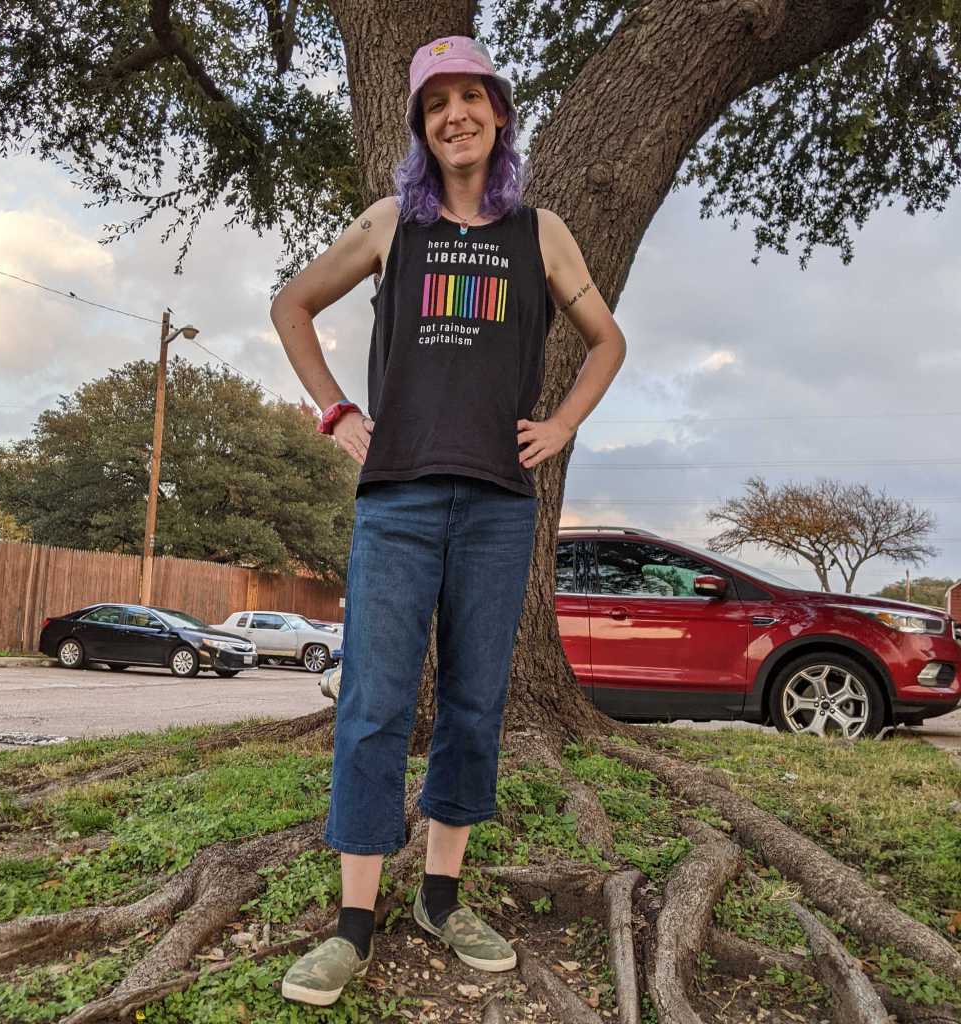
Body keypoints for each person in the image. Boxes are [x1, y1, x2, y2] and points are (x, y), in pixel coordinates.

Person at [270, 34, 626, 1008]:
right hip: (398, 500)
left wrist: (560, 422)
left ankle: (439, 895)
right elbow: (291, 303)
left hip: (499, 509)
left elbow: (606, 339)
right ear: (423, 127)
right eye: (436, 105)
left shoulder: (541, 232)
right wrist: (338, 412)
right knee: (374, 705)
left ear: (498, 114)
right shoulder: (392, 223)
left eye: (471, 98)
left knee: (473, 706)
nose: (454, 115)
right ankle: (351, 925)